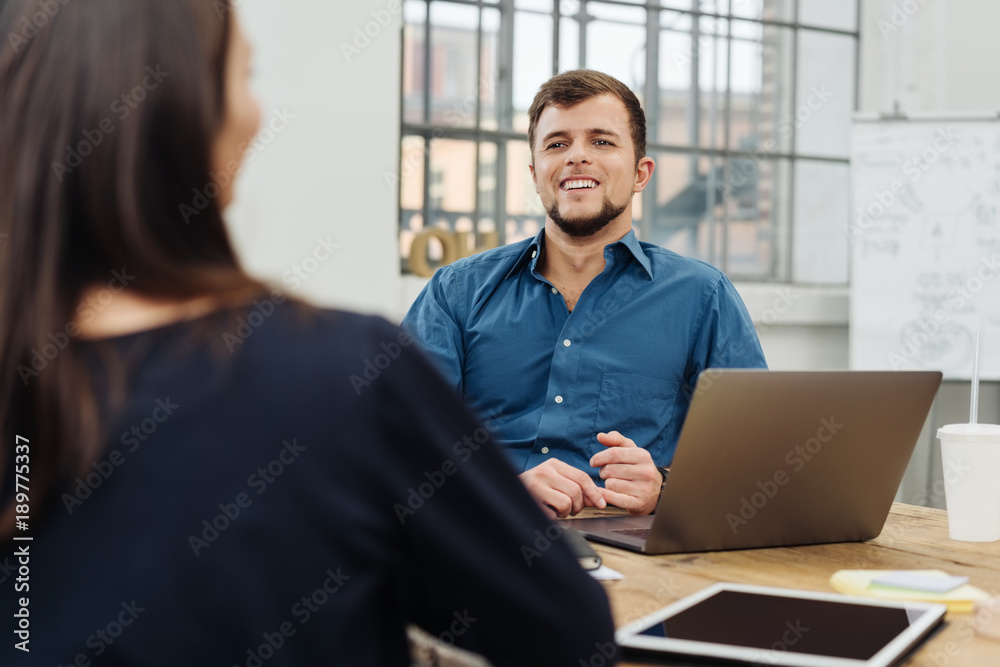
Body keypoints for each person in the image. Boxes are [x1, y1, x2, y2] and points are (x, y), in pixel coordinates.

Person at [0, 1, 615, 665]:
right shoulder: (351, 368)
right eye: (245, 75)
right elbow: (566, 629)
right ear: (196, 114)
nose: (256, 110)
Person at [403, 69, 767, 520]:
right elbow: (393, 443)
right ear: (536, 175)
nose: (578, 157)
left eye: (601, 141)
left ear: (640, 173)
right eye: (557, 144)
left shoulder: (703, 296)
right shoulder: (454, 292)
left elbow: (757, 463)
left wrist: (667, 488)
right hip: (483, 538)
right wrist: (499, 488)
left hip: (633, 555)